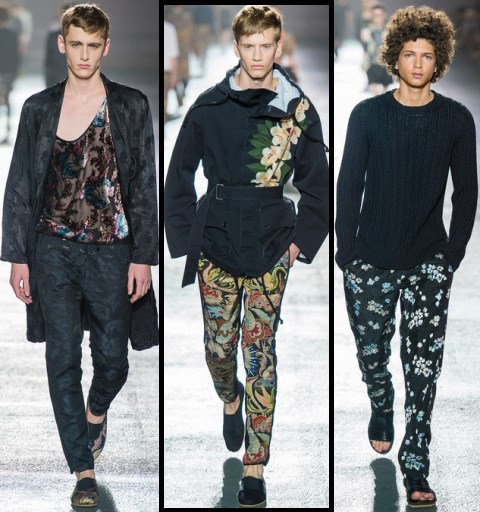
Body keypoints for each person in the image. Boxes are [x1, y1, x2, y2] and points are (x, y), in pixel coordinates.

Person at [165, 4, 329, 508]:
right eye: (249, 46)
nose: (258, 56)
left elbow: (319, 186)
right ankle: (230, 396)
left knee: (259, 354)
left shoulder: (297, 109)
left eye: (266, 46)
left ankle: (255, 465)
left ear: (279, 46)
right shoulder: (208, 106)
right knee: (219, 350)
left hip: (270, 244)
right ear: (236, 47)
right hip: (215, 243)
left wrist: (297, 246)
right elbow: (179, 175)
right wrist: (186, 240)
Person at [1, 3, 159, 508]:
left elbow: (144, 184)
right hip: (53, 249)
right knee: (62, 358)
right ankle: (82, 469)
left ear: (105, 47)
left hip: (112, 249)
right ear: (62, 44)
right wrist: (18, 256)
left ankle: (95, 413)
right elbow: (20, 184)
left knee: (113, 360)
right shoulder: (38, 109)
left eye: (94, 46)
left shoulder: (130, 106)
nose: (85, 55)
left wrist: (143, 256)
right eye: (77, 45)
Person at [335, 5, 477, 509]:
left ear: (439, 61)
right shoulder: (367, 116)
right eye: (410, 54)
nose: (418, 63)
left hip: (427, 261)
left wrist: (451, 256)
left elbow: (467, 192)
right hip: (370, 260)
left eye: (427, 55)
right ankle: (381, 401)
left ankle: (416, 462)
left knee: (424, 367)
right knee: (372, 355)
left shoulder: (456, 119)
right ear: (394, 58)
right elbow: (349, 184)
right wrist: (347, 254)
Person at [0, 4, 20, 144]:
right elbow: (16, 56)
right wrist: (14, 72)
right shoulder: (12, 35)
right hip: (7, 72)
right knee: (6, 101)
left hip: (5, 72)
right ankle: (7, 131)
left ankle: (6, 131)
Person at [164, 18, 178, 125]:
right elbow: (173, 55)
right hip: (166, 73)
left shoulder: (169, 28)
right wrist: (174, 75)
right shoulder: (169, 28)